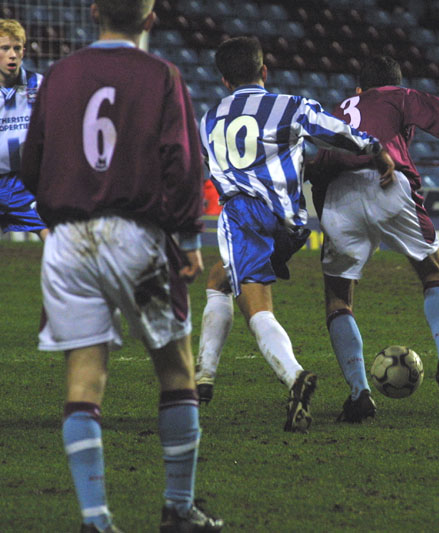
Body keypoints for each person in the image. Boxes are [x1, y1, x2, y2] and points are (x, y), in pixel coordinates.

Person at [20, 1, 224, 531]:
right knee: (177, 368)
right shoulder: (161, 75)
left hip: (67, 241)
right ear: (150, 20)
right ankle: (177, 509)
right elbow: (181, 161)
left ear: (92, 12)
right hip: (135, 237)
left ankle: (95, 519)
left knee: (84, 379)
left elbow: (31, 158)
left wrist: (58, 213)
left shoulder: (60, 74)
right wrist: (187, 236)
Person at [195, 37, 394, 430]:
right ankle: (203, 376)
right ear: (264, 71)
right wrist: (376, 148)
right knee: (219, 279)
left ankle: (293, 376)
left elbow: (215, 169)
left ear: (222, 79)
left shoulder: (208, 121)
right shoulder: (291, 106)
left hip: (244, 216)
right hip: (291, 223)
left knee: (257, 308)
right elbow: (337, 131)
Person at [307, 55, 439, 422]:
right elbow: (436, 111)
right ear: (393, 84)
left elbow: (321, 164)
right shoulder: (397, 96)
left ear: (359, 90)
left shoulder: (338, 110)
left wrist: (325, 213)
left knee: (338, 298)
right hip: (389, 182)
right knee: (433, 273)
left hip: (339, 195)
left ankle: (360, 393)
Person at [0, 19, 48, 240]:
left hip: (26, 185)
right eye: (5, 48)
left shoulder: (39, 86)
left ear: (23, 51)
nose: (12, 54)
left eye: (16, 48)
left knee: (54, 238)